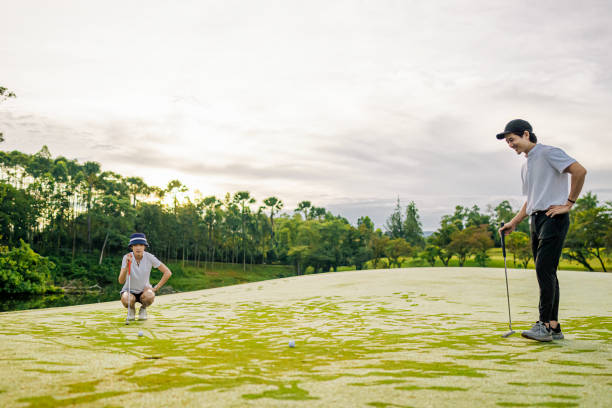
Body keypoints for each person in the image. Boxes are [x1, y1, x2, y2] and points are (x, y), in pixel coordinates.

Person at [496, 119, 586, 342]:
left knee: (544, 270)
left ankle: (543, 325)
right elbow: (531, 200)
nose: (510, 145)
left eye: (512, 140)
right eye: (508, 142)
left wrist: (569, 203)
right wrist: (515, 222)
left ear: (526, 134)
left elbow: (579, 171)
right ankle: (553, 326)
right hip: (536, 221)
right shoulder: (526, 165)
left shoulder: (548, 153)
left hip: (553, 218)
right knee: (547, 272)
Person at [118, 233, 172, 321]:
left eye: (141, 245)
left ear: (145, 246)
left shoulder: (150, 257)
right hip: (129, 291)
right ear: (131, 247)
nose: (138, 248)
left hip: (145, 290)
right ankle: (131, 309)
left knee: (150, 296)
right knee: (125, 299)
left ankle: (143, 309)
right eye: (135, 245)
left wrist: (156, 288)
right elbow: (121, 281)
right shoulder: (127, 257)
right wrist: (126, 267)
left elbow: (167, 272)